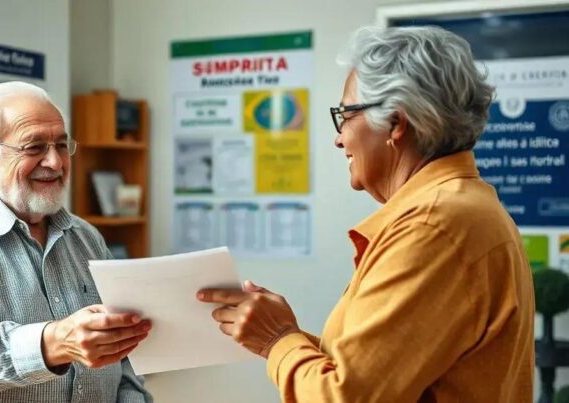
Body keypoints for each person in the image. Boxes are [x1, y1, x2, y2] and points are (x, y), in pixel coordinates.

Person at [198, 26, 534, 402]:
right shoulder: (463, 209)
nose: (338, 137)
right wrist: (280, 333)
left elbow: (348, 397)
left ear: (395, 122)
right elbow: (383, 375)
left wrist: (278, 339)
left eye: (345, 115)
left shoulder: (434, 226)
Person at [0, 81, 153, 402]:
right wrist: (57, 341)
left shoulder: (86, 238)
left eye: (61, 145)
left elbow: (125, 362)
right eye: (34, 147)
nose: (55, 162)